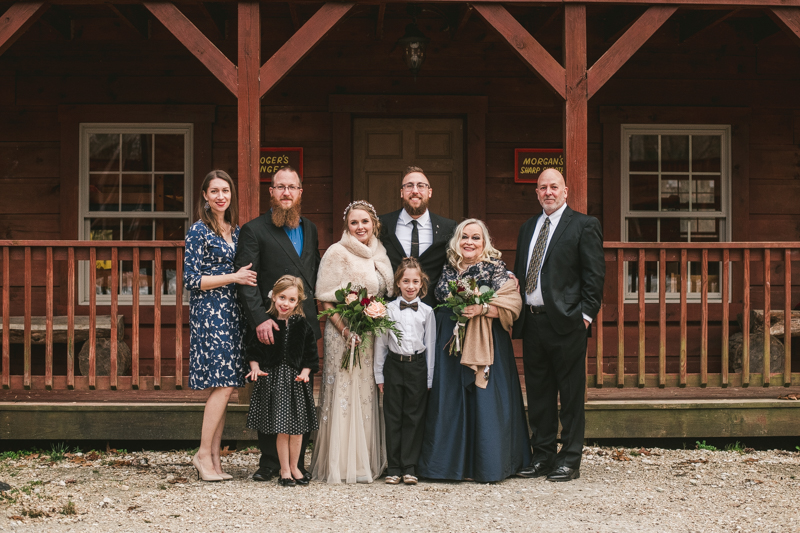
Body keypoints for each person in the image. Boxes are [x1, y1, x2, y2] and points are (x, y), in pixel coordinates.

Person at [418, 219, 531, 483]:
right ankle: (449, 466)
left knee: (484, 400)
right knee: (452, 403)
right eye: (464, 237)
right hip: (450, 343)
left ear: (484, 243)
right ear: (457, 241)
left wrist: (482, 309)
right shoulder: (448, 268)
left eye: (476, 238)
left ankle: (488, 464)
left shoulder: (496, 268)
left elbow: (512, 303)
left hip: (486, 342)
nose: (469, 242)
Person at [513, 168, 605, 482]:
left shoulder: (583, 225)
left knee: (570, 395)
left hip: (567, 325)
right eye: (542, 188)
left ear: (565, 191)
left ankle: (569, 459)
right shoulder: (528, 228)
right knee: (538, 395)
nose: (548, 192)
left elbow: (594, 277)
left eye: (554, 187)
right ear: (536, 192)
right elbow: (521, 272)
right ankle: (543, 457)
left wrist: (585, 316)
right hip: (533, 323)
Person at [235, 166, 321, 482]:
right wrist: (260, 319)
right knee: (271, 394)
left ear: (301, 192)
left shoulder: (310, 228)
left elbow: (314, 273)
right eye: (280, 187)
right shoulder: (254, 230)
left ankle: (296, 463)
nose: (286, 192)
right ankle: (270, 462)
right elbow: (247, 282)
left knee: (299, 393)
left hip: (302, 328)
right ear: (271, 192)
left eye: (292, 187)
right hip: (271, 326)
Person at [311, 200, 394, 483]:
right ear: (347, 226)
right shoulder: (337, 252)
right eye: (354, 222)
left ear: (374, 224)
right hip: (343, 334)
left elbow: (384, 294)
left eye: (365, 222)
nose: (360, 227)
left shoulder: (380, 253)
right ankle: (341, 463)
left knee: (366, 392)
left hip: (370, 334)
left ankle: (365, 462)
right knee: (345, 390)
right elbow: (323, 298)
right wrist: (346, 331)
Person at [184, 170, 258, 482]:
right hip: (210, 312)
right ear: (204, 195)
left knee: (222, 386)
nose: (220, 196)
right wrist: (234, 276)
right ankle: (202, 454)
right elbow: (191, 279)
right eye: (214, 191)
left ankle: (214, 459)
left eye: (225, 191)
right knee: (225, 383)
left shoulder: (236, 231)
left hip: (232, 312)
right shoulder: (198, 231)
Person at [244, 276, 319, 487]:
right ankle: (284, 470)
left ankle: (295, 467)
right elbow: (253, 351)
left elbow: (310, 355)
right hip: (274, 382)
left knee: (296, 430)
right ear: (273, 296)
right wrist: (255, 368)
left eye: (291, 300)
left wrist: (305, 372)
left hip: (296, 383)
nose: (285, 303)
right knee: (282, 429)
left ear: (298, 302)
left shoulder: (303, 326)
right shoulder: (266, 324)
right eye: (282, 297)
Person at [374, 257, 436, 485]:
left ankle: (410, 467)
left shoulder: (427, 312)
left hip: (417, 366)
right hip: (394, 365)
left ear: (422, 284)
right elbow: (380, 344)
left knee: (413, 417)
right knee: (393, 417)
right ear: (398, 283)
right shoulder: (388, 310)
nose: (411, 286)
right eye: (406, 281)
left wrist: (429, 377)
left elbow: (430, 346)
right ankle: (393, 467)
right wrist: (379, 375)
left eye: (415, 281)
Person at [379, 166, 457, 307]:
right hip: (389, 309)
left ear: (430, 192)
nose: (415, 191)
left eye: (421, 186)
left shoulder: (448, 227)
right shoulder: (382, 224)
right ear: (402, 193)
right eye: (409, 186)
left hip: (433, 310)